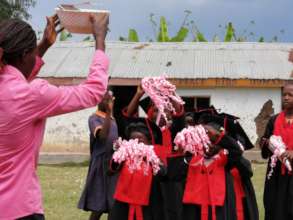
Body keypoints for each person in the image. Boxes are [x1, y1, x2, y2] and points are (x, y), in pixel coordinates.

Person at [0, 14, 109, 220]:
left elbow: (15, 77)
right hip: (20, 208)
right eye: (33, 53)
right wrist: (100, 41)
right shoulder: (32, 95)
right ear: (24, 55)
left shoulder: (16, 90)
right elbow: (94, 91)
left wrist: (43, 46)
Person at [167, 113, 258, 220]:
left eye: (213, 140)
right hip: (196, 211)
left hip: (222, 209)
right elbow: (173, 173)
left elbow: (238, 156)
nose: (209, 145)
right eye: (206, 140)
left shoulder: (227, 160)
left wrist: (220, 137)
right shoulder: (193, 161)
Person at [108, 119, 166, 220]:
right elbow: (111, 169)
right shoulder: (126, 154)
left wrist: (148, 158)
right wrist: (119, 153)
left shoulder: (155, 154)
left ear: (148, 141)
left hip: (148, 203)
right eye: (133, 139)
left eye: (140, 139)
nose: (136, 142)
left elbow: (162, 173)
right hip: (123, 202)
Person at [78, 91, 118, 220]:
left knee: (113, 203)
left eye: (109, 100)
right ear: (98, 101)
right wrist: (108, 113)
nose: (107, 103)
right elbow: (103, 136)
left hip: (112, 165)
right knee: (98, 204)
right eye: (104, 100)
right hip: (100, 165)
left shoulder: (112, 119)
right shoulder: (94, 118)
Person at [260, 81, 293, 220]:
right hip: (276, 175)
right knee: (275, 209)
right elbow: (265, 152)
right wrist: (266, 143)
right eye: (283, 94)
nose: (285, 97)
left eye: (290, 95)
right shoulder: (274, 120)